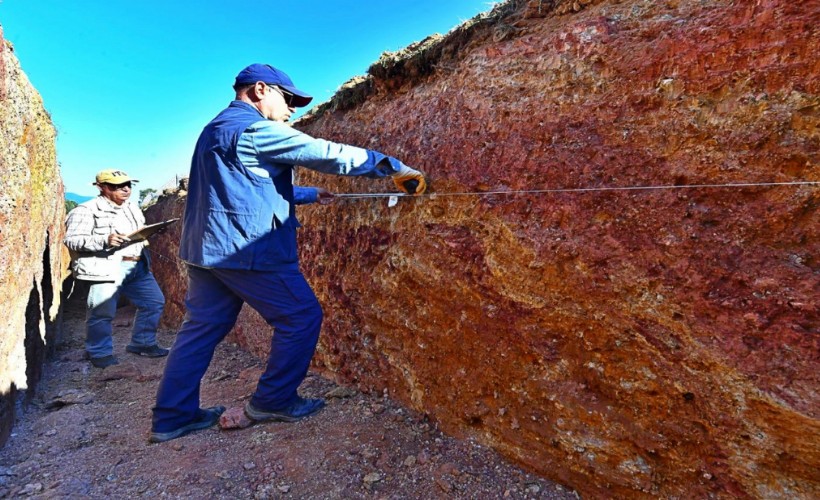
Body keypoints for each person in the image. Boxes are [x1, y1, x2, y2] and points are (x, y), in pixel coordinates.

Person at [149, 63, 426, 443]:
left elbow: (240, 186)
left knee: (199, 330)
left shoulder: (214, 130)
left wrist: (310, 194)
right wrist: (393, 168)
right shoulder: (257, 129)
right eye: (289, 98)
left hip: (204, 250)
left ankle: (171, 417)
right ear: (261, 89)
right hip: (245, 251)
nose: (293, 108)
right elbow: (327, 154)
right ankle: (273, 401)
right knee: (301, 317)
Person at [64, 169, 169, 368]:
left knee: (153, 302)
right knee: (101, 313)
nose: (125, 189)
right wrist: (105, 240)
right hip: (105, 268)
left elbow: (136, 235)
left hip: (137, 266)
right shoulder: (85, 210)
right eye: (117, 186)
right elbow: (72, 240)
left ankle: (143, 344)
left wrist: (153, 232)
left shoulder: (132, 208)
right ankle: (99, 353)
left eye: (128, 185)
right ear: (102, 187)